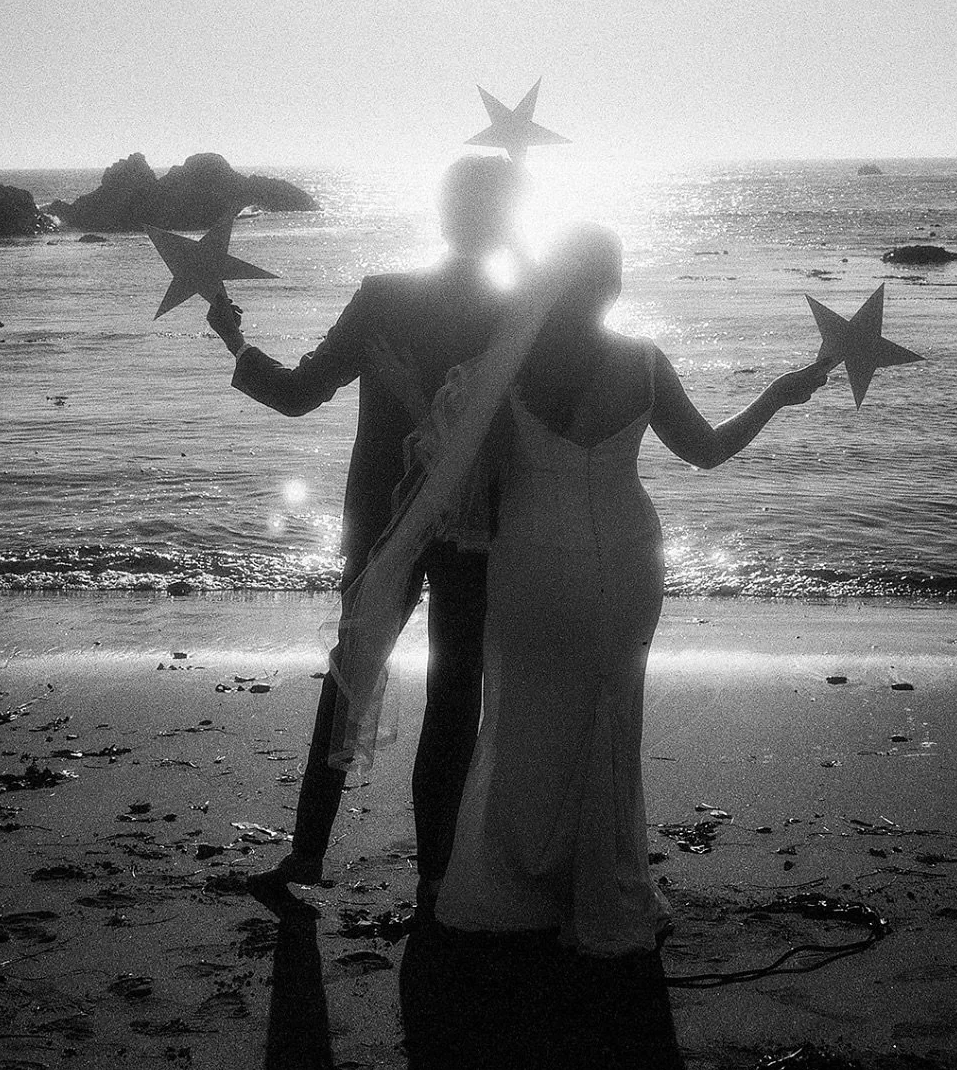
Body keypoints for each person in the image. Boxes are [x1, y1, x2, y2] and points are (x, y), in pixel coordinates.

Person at [432, 224, 828, 955]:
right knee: (609, 718)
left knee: (522, 715)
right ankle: (602, 885)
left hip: (531, 563)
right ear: (613, 286)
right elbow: (706, 452)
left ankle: (519, 881)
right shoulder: (645, 363)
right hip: (625, 557)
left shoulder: (508, 364)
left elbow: (474, 485)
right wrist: (774, 395)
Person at [206, 154, 525, 906]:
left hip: (380, 519)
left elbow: (295, 396)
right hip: (473, 525)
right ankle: (437, 872)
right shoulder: (520, 311)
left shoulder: (384, 298)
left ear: (443, 214)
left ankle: (308, 853)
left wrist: (230, 337)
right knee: (455, 688)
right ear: (508, 219)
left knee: (350, 676)